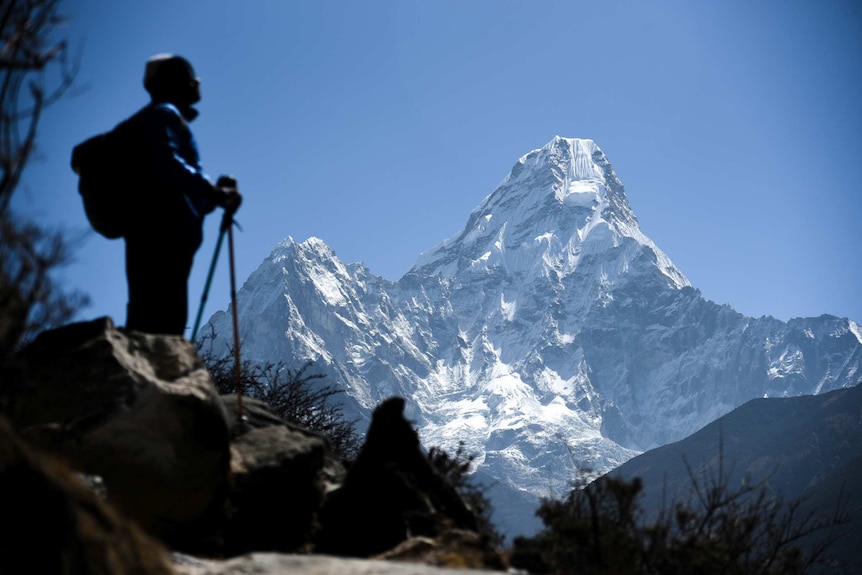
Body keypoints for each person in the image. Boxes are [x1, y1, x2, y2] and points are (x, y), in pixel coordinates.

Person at [124, 54, 241, 336]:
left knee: (155, 311)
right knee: (161, 313)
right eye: (190, 75)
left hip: (160, 232)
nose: (196, 82)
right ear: (174, 81)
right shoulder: (164, 114)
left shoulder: (162, 117)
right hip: (160, 233)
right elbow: (167, 164)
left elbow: (175, 186)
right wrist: (210, 189)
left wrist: (212, 196)